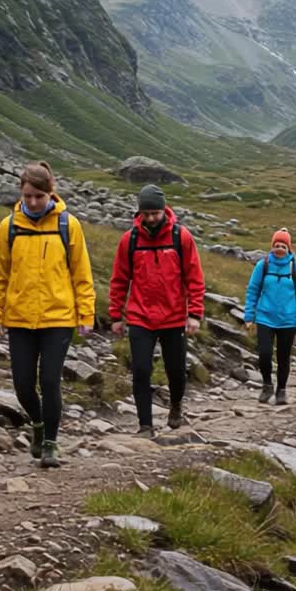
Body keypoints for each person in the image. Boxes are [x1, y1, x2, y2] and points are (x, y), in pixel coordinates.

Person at [0, 163, 95, 468]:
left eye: (39, 196)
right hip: (19, 318)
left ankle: (50, 444)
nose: (33, 202)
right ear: (21, 193)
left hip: (58, 318)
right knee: (23, 385)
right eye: (28, 196)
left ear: (51, 193)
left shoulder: (68, 225)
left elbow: (81, 274)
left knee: (49, 380)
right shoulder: (9, 226)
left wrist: (86, 314)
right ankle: (37, 423)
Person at [108, 185, 205, 436]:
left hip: (174, 317)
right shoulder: (129, 240)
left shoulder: (181, 237)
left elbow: (194, 277)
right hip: (140, 317)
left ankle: (176, 405)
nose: (151, 218)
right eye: (146, 213)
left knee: (176, 372)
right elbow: (119, 279)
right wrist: (116, 315)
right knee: (141, 370)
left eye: (155, 213)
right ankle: (145, 425)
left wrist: (194, 313)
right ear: (139, 212)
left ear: (164, 210)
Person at [244, 229, 296, 406]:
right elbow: (252, 290)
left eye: (283, 246)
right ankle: (267, 385)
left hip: (288, 320)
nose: (279, 248)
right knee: (264, 354)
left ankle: (281, 390)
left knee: (283, 357)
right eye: (276, 245)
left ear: (289, 248)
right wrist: (249, 315)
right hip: (264, 317)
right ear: (272, 246)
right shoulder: (263, 265)